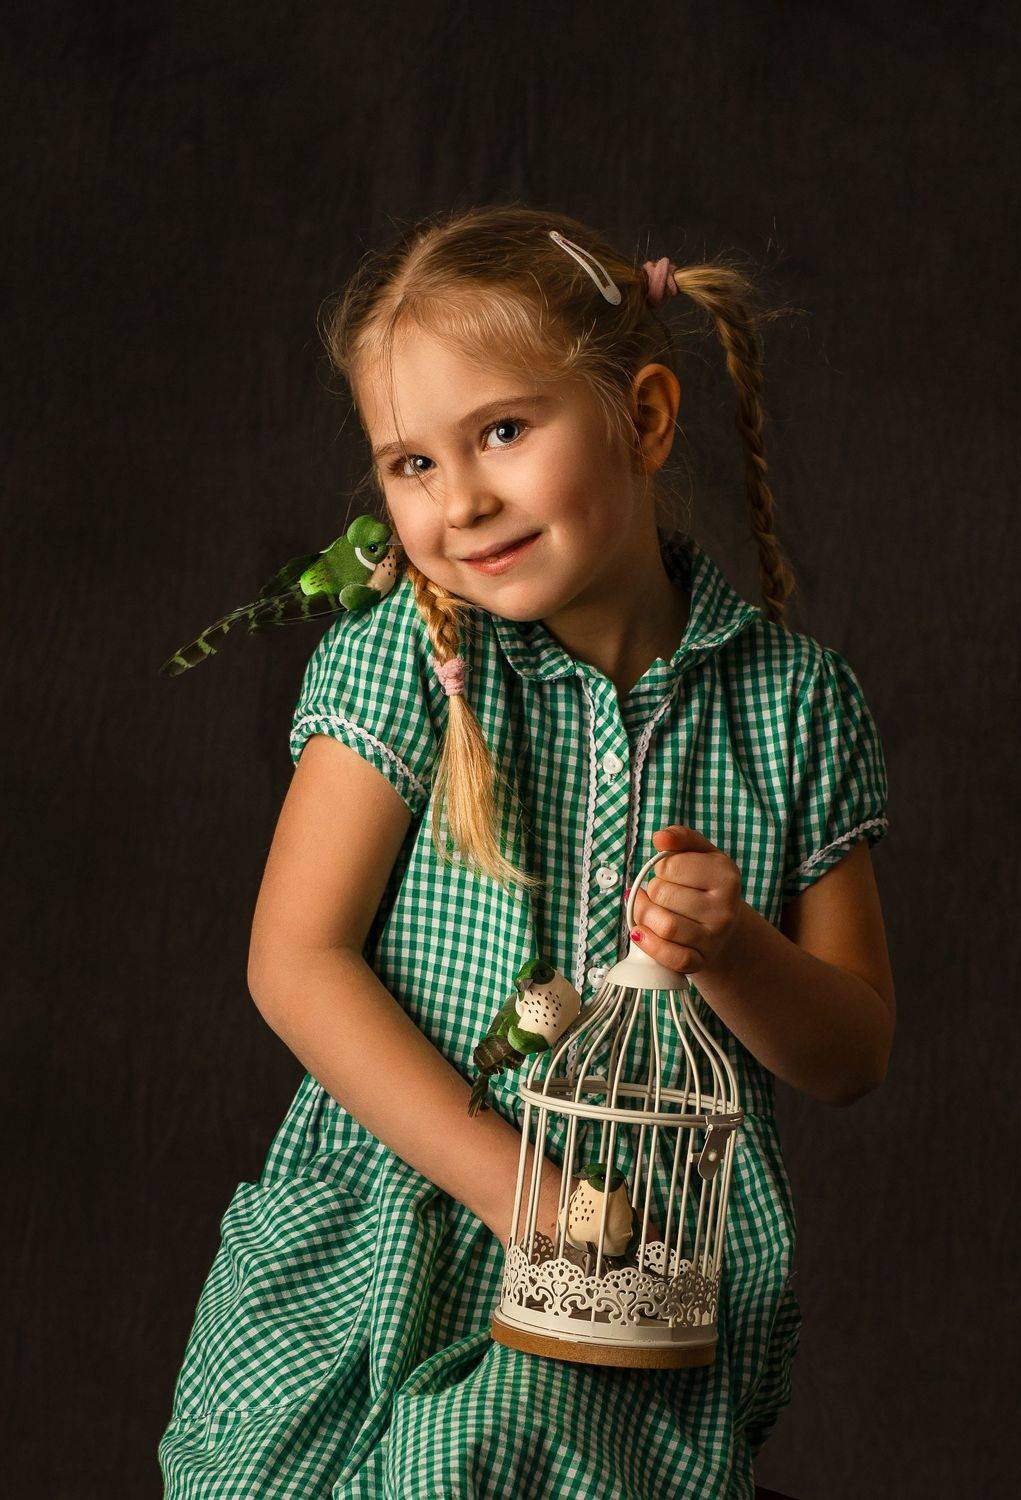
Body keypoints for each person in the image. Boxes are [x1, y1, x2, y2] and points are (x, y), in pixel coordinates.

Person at [157, 204, 895, 1498]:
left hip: (629, 1275)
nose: (462, 500)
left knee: (482, 1458)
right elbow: (295, 962)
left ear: (644, 419)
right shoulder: (403, 662)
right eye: (412, 463)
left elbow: (851, 1053)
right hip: (378, 1243)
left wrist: (734, 951)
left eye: (502, 431)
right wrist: (531, 1198)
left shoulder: (794, 705)